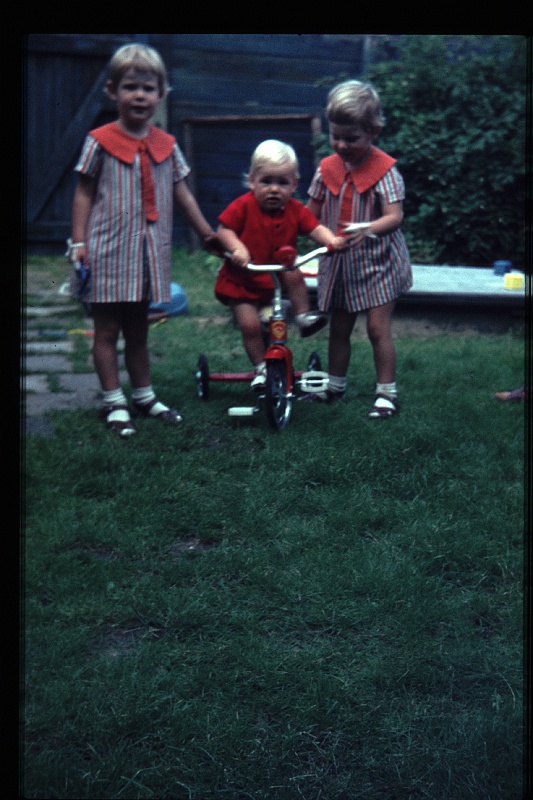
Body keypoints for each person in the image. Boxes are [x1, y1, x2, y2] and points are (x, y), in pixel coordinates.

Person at [68, 43, 219, 438]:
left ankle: (144, 395)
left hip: (147, 256)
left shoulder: (166, 146)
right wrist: (78, 241)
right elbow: (83, 192)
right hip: (107, 252)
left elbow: (183, 194)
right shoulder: (99, 141)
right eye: (130, 87)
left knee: (139, 330)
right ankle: (113, 400)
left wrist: (206, 232)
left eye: (149, 88)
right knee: (105, 331)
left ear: (162, 94)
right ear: (112, 92)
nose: (140, 95)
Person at [306, 80, 412, 417]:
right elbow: (310, 216)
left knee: (376, 329)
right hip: (340, 265)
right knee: (339, 328)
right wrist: (316, 234)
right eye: (336, 136)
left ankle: (386, 394)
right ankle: (334, 386)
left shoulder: (386, 172)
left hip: (379, 263)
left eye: (351, 138)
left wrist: (368, 228)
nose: (341, 145)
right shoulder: (326, 170)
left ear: (373, 132)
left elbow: (395, 217)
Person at [214, 139, 349, 391]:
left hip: (273, 278)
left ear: (294, 184)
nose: (274, 189)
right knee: (250, 325)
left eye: (282, 183)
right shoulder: (244, 206)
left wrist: (331, 241)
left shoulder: (295, 210)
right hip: (242, 280)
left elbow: (314, 228)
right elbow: (224, 229)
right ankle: (261, 369)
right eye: (266, 181)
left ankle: (303, 316)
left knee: (294, 274)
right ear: (252, 180)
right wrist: (237, 248)